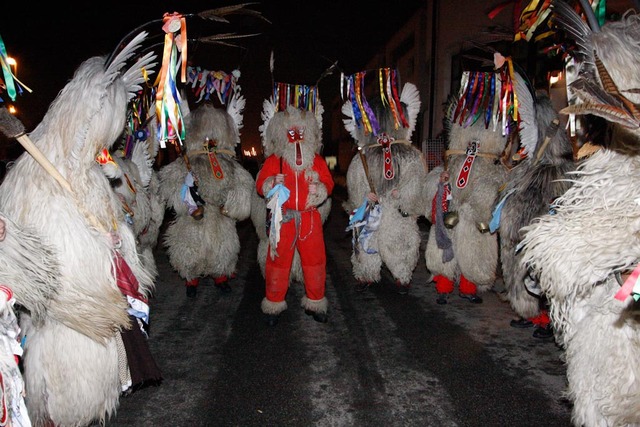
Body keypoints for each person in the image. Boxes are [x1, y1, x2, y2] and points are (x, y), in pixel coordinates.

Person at [255, 81, 334, 326]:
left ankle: (316, 301)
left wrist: (321, 189)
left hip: (310, 219)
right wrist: (269, 183)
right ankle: (274, 304)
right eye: (292, 133)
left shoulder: (317, 160)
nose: (297, 138)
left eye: (301, 133)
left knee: (315, 260)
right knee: (278, 262)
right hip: (284, 218)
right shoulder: (274, 160)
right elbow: (260, 184)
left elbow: (329, 183)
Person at [341, 70, 426, 295]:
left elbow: (416, 178)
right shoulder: (364, 156)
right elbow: (356, 178)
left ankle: (402, 276)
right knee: (367, 244)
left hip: (397, 210)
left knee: (400, 242)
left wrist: (404, 195)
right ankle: (366, 276)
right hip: (372, 208)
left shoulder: (410, 155)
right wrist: (363, 198)